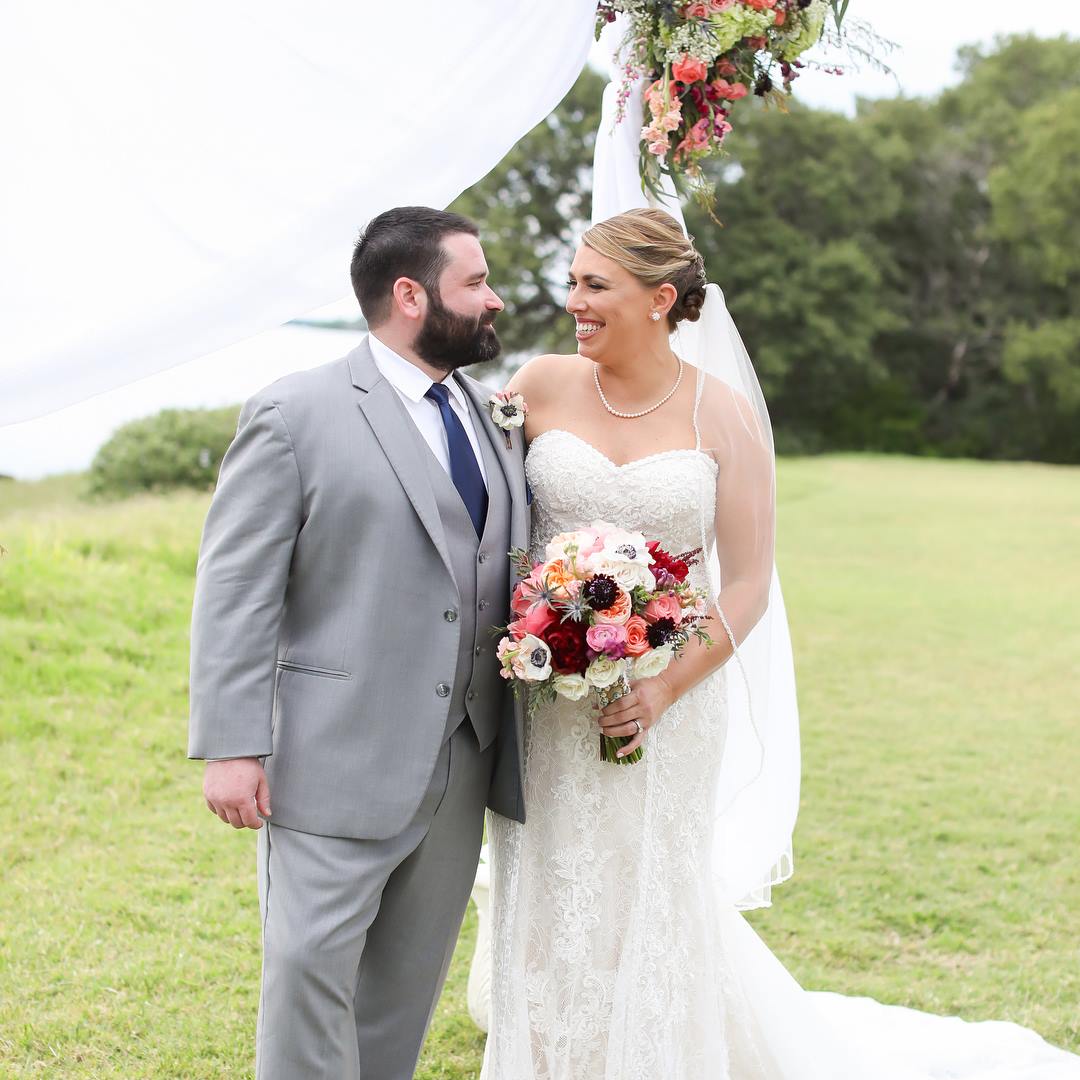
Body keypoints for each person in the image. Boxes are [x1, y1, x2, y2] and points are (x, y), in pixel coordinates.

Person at [480, 208, 1080, 1080]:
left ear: (659, 298)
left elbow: (751, 582)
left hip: (667, 700)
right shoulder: (536, 385)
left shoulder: (721, 414)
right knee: (550, 888)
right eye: (572, 281)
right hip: (545, 702)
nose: (573, 300)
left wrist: (661, 688)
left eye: (593, 285)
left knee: (650, 891)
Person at [188, 206, 530, 1080]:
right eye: (477, 281)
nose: (495, 298)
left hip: (463, 755)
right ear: (411, 295)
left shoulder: (493, 416)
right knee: (308, 974)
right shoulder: (295, 412)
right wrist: (231, 744)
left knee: (402, 994)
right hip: (333, 753)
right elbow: (236, 589)